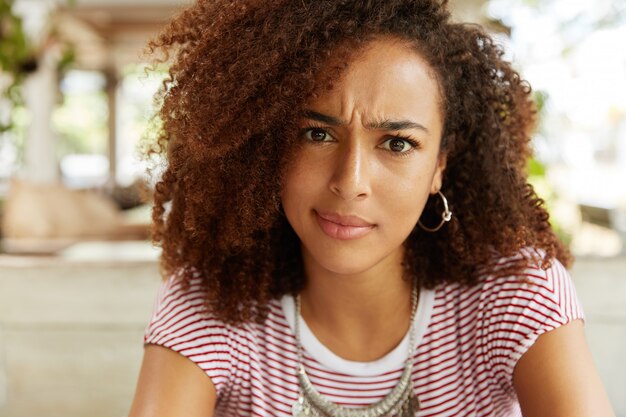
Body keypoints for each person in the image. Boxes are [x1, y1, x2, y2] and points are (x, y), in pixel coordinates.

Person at [128, 0, 615, 416]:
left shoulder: (516, 294)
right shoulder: (208, 301)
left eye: (398, 144)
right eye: (317, 134)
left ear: (439, 167)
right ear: (266, 144)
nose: (350, 182)